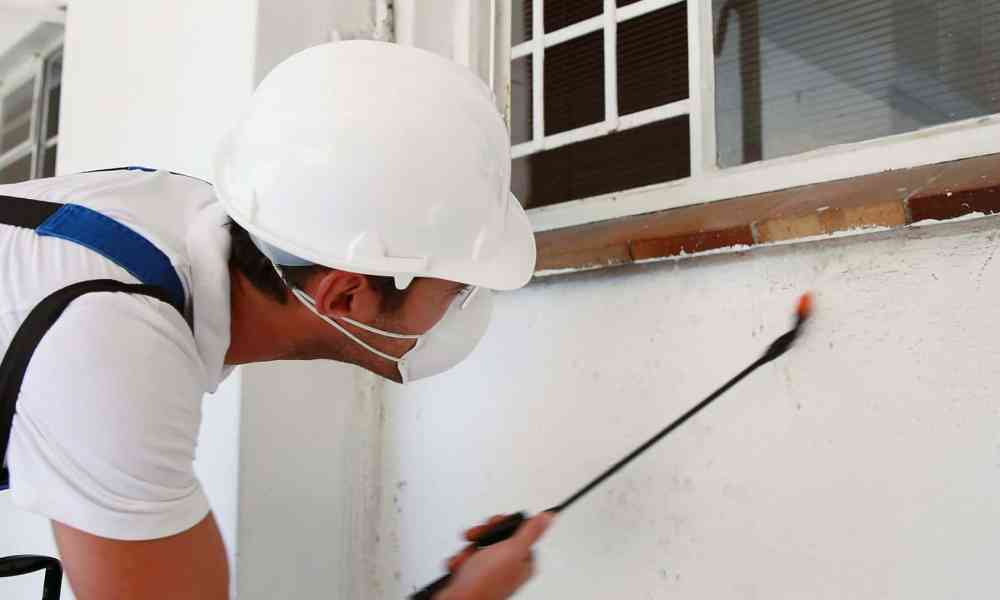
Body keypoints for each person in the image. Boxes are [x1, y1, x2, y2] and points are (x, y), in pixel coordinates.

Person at [0, 41, 553, 599]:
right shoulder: (115, 350)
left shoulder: (173, 219)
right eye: (458, 287)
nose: (466, 304)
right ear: (345, 297)